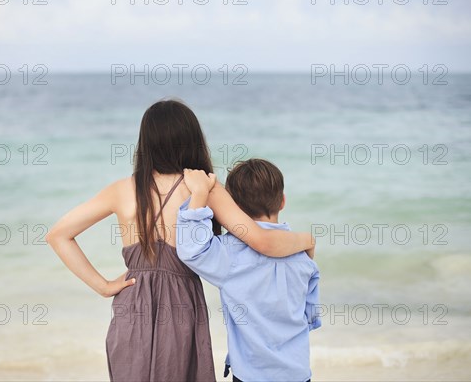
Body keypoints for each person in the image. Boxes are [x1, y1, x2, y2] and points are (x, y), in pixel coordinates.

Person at [45, 99, 316, 381]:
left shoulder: (122, 190)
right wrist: (306, 240)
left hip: (132, 304)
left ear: (146, 142)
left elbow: (59, 235)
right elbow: (262, 242)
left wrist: (103, 286)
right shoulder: (205, 189)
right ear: (193, 140)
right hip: (181, 306)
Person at [176, 159, 321, 382]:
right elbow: (310, 316)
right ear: (282, 202)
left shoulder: (231, 254)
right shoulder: (302, 255)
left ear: (235, 208)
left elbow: (192, 250)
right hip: (298, 373)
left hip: (252, 375)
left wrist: (199, 194)